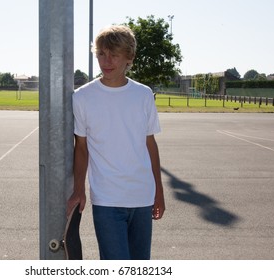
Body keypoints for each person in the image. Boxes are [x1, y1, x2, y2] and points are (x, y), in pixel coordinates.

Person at [67, 25, 165, 260]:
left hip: (142, 197)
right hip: (107, 199)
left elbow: (150, 144)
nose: (106, 60)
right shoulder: (82, 97)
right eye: (101, 53)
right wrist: (79, 188)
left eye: (114, 54)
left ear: (129, 57)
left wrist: (159, 191)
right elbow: (81, 147)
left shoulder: (143, 95)